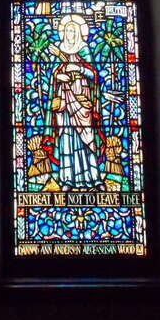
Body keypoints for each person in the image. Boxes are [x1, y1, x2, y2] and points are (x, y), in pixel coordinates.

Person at [47, 14, 105, 190]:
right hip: (65, 100)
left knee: (87, 138)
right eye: (67, 31)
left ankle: (93, 178)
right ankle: (67, 179)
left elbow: (94, 74)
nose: (69, 34)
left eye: (73, 31)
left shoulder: (84, 49)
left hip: (82, 100)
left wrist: (79, 68)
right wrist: (59, 76)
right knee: (66, 138)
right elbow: (54, 74)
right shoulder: (59, 50)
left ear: (79, 32)